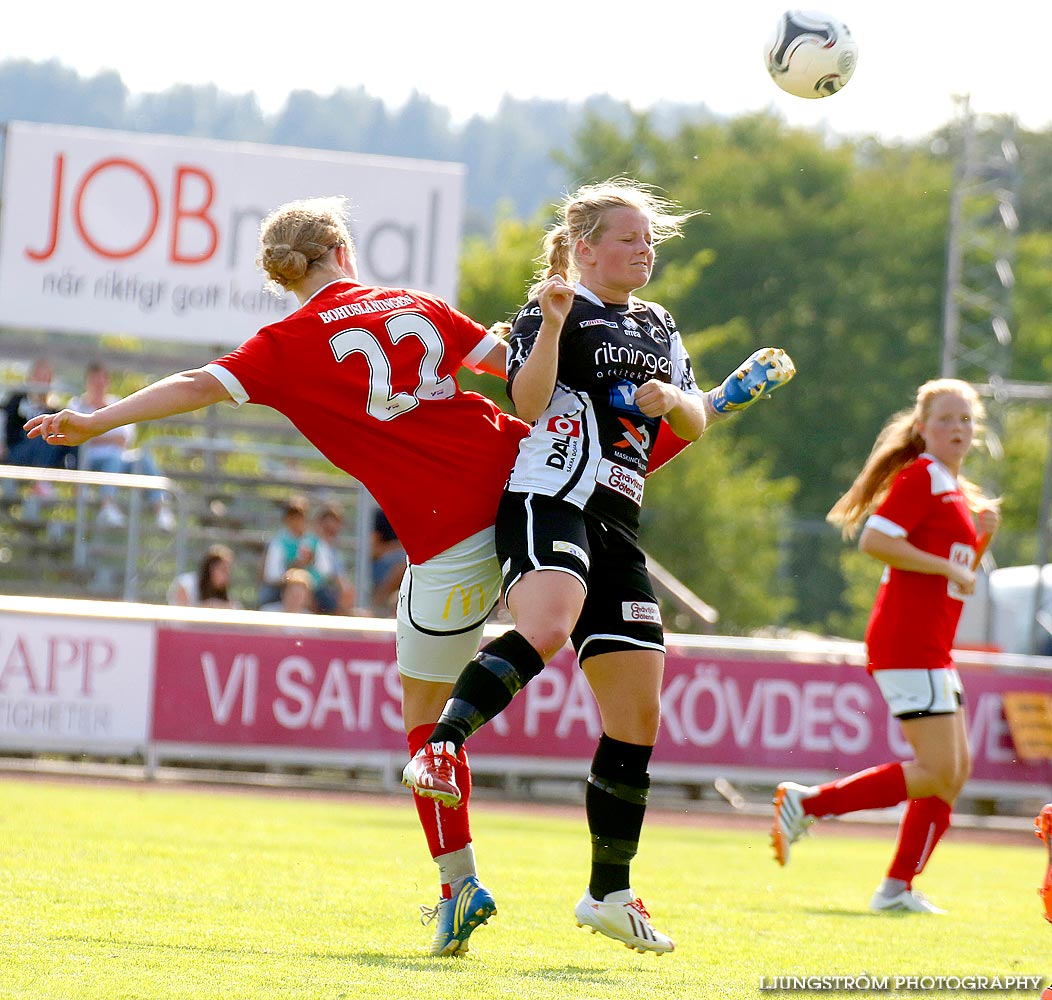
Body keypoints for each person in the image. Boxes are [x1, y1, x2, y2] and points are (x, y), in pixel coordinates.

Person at [27, 192, 791, 959]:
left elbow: (194, 385)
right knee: (594, 654)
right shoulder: (412, 302)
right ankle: (601, 886)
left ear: (283, 274)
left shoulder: (284, 342)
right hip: (525, 475)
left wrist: (96, 420)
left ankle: (459, 884)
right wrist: (679, 394)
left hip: (450, 533)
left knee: (427, 716)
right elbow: (526, 378)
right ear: (345, 251)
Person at [402, 178, 796, 955]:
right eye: (629, 238)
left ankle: (608, 893)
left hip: (618, 518)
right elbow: (524, 401)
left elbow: (691, 418)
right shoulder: (556, 307)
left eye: (649, 240)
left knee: (637, 714)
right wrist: (548, 328)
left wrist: (674, 400)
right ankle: (442, 748)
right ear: (585, 247)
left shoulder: (658, 322)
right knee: (546, 627)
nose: (644, 250)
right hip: (550, 495)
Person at [771, 378, 1001, 915]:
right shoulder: (922, 475)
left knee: (954, 773)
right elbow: (876, 538)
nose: (958, 429)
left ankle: (896, 887)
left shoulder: (950, 486)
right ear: (921, 428)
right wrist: (949, 560)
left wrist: (980, 536)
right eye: (945, 419)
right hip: (907, 642)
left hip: (933, 646)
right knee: (939, 769)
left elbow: (956, 576)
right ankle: (809, 803)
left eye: (966, 419)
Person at [68, 360, 176, 530]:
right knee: (113, 458)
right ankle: (107, 505)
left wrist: (94, 434)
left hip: (119, 458)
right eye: (95, 381)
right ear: (88, 382)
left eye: (102, 380)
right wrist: (104, 436)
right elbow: (77, 437)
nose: (99, 385)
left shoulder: (116, 403)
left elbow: (124, 438)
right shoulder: (76, 405)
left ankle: (160, 509)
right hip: (89, 461)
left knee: (143, 458)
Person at [1, 357, 78, 503]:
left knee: (50, 433)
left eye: (47, 377)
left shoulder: (54, 410)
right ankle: (41, 482)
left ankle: (47, 482)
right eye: (40, 376)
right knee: (42, 431)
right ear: (31, 377)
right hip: (17, 451)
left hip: (46, 454)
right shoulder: (15, 401)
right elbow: (5, 423)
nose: (43, 382)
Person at [258, 495, 326, 609]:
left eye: (300, 517)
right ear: (287, 519)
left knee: (327, 600)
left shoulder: (314, 541)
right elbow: (272, 575)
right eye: (293, 517)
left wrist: (307, 582)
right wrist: (293, 575)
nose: (297, 521)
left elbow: (324, 571)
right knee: (269, 597)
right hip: (282, 588)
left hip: (312, 589)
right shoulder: (278, 542)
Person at [312, 502, 356, 615]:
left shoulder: (334, 550)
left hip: (331, 592)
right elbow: (324, 575)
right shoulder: (313, 544)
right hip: (318, 590)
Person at [168, 544, 238, 609]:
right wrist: (209, 607)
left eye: (229, 571)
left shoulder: (223, 593)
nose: (227, 575)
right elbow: (181, 614)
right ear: (210, 569)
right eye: (223, 570)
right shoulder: (186, 584)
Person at [370, 507, 406, 616]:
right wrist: (400, 547)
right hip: (382, 567)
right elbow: (373, 552)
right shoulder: (381, 515)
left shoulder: (413, 515)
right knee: (403, 565)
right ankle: (376, 603)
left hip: (408, 569)